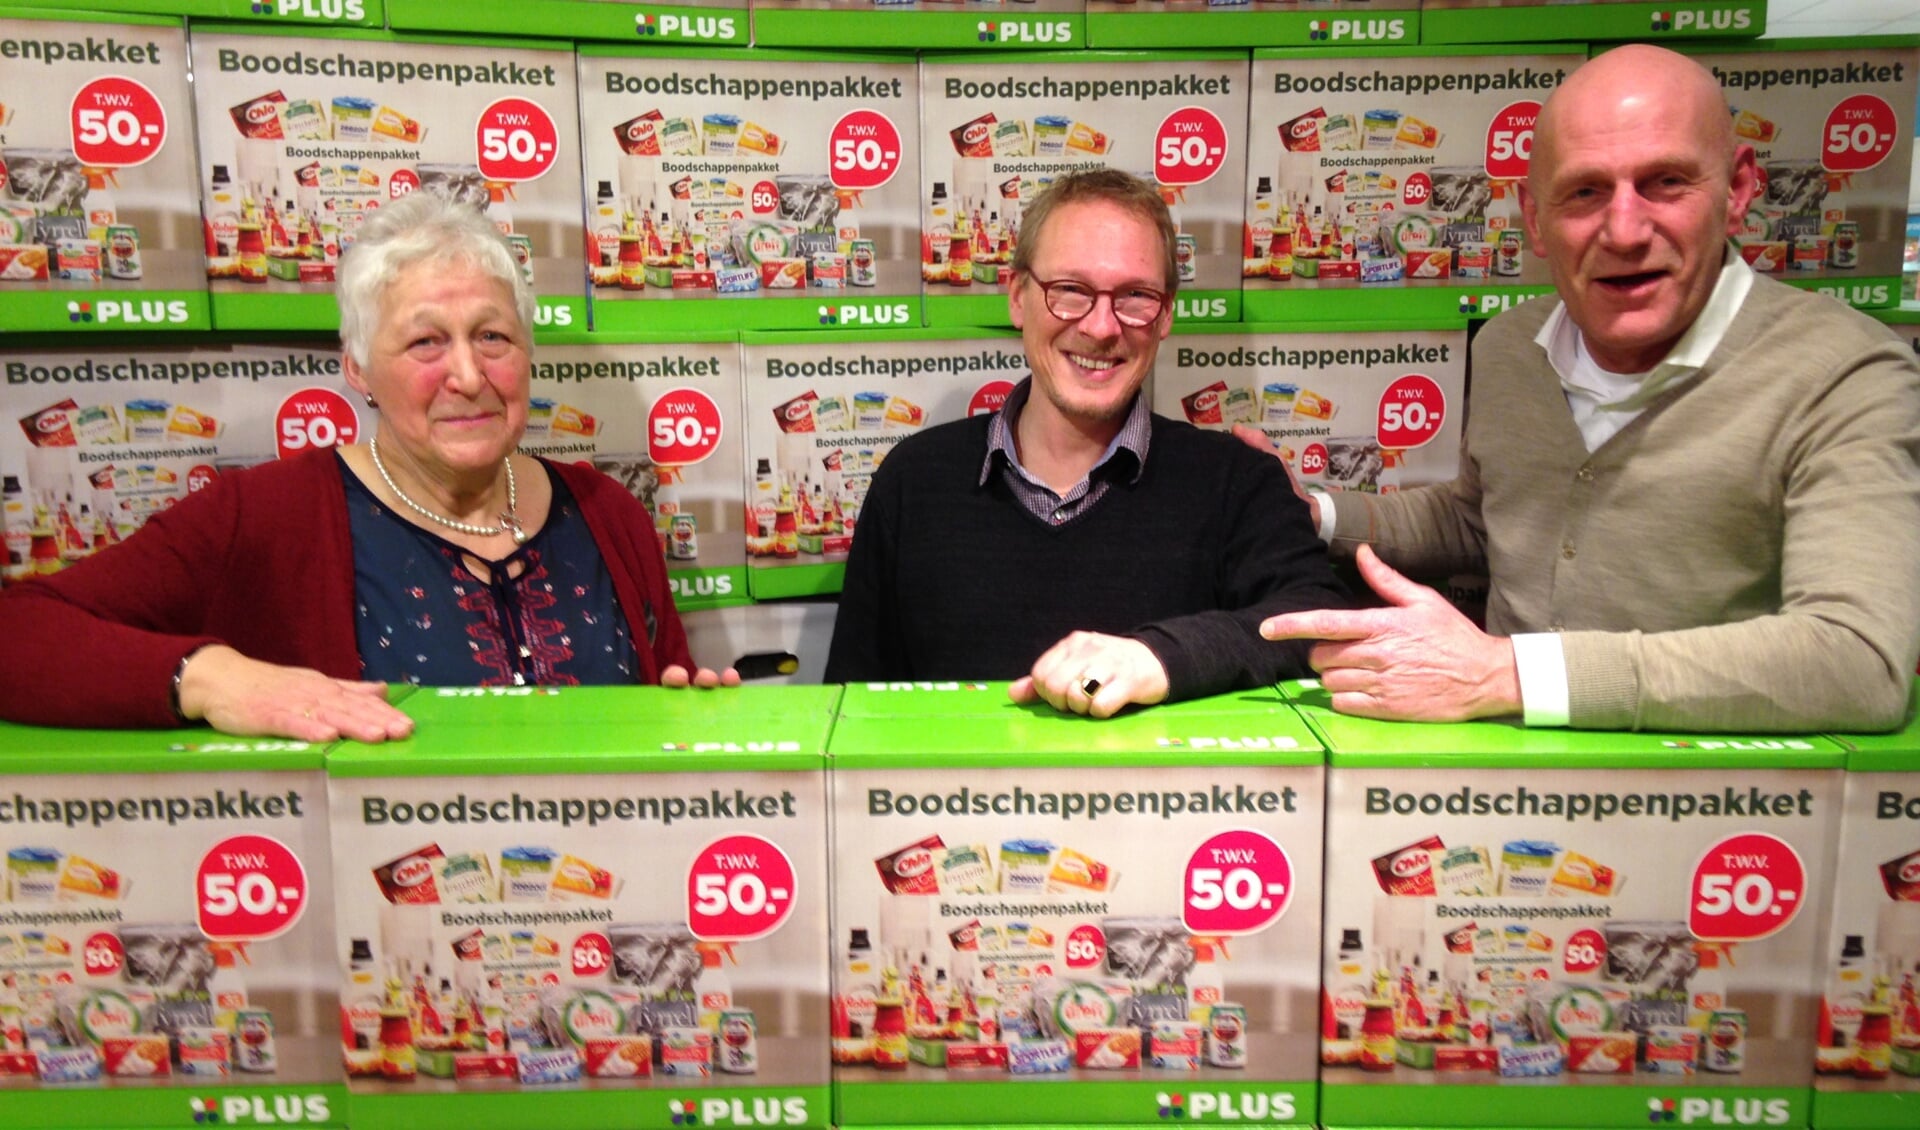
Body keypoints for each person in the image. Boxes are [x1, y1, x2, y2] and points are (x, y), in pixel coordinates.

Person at [1250, 44, 1920, 733]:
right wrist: (1317, 515)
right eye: (1585, 192)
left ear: (1739, 188)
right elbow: (1483, 520)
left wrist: (1505, 673)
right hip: (1496, 785)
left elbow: (1860, 660)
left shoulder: (1846, 371)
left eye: (1665, 182)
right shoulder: (1510, 346)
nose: (1625, 231)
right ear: (1536, 220)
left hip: (1711, 810)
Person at [0, 191, 735, 741]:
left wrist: (685, 717)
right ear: (356, 368)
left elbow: (657, 705)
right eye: (424, 343)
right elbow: (20, 631)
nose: (469, 375)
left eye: (492, 336)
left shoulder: (608, 511)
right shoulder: (264, 517)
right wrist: (209, 676)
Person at [825, 169, 1347, 716]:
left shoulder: (1237, 482)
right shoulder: (914, 482)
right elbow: (852, 707)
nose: (1101, 327)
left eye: (1135, 296)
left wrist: (1160, 658)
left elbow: (1319, 621)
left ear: (1166, 314)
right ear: (1018, 297)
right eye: (1069, 291)